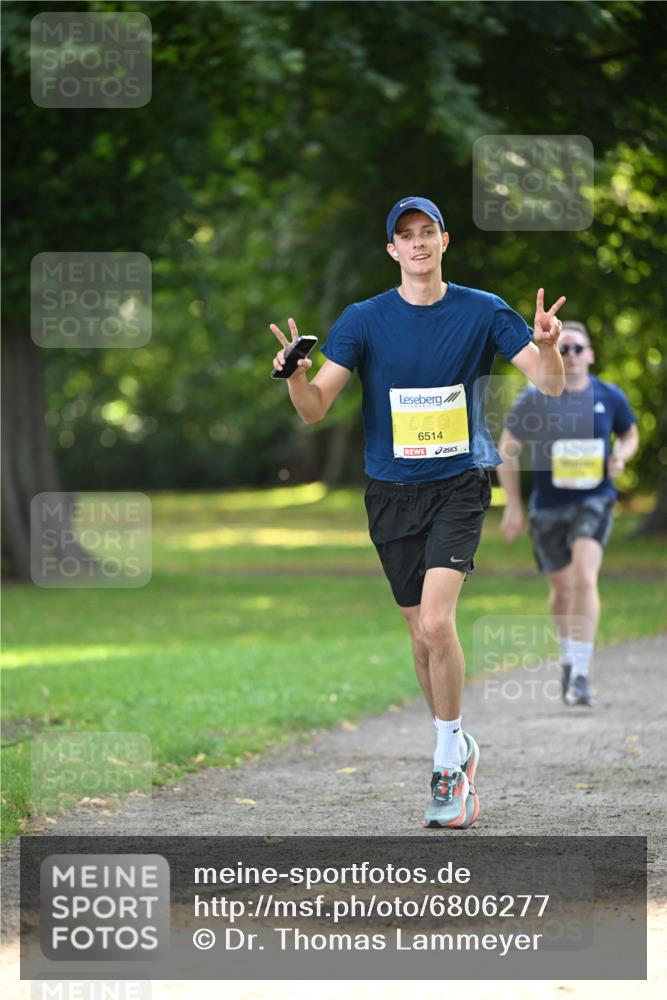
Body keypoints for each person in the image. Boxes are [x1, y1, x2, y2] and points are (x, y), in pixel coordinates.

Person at [270, 195, 565, 829]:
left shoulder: (484, 310)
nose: (418, 242)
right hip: (390, 493)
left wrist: (548, 347)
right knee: (418, 632)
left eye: (427, 231)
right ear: (392, 250)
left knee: (436, 622)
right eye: (406, 235)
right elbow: (315, 408)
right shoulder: (364, 319)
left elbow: (549, 384)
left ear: (444, 240)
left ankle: (446, 762)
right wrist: (294, 375)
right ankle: (456, 742)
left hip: (459, 484)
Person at [497, 321, 639, 707]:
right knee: (561, 589)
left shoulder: (609, 396)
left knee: (584, 576)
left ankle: (580, 673)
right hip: (548, 506)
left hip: (595, 499)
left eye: (578, 348)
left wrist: (621, 456)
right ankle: (568, 657)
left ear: (590, 354)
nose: (571, 355)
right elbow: (507, 448)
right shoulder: (534, 398)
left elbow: (629, 434)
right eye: (564, 349)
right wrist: (513, 505)